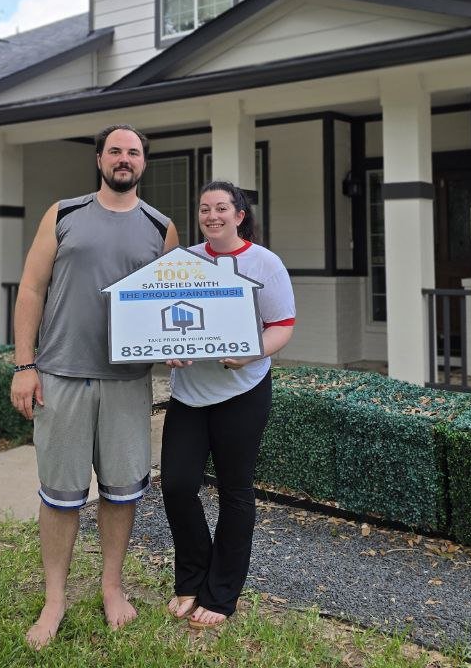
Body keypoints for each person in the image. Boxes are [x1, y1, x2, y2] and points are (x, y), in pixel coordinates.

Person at [9, 123, 179, 650]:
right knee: (61, 494)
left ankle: (111, 587)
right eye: (115, 151)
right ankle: (54, 598)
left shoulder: (161, 227)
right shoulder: (63, 214)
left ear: (143, 163)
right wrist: (24, 364)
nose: (123, 159)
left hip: (128, 381)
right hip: (61, 374)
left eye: (133, 152)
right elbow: (32, 287)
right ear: (100, 159)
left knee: (122, 489)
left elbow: (166, 307)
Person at [160, 180, 296, 629]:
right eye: (204, 209)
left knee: (235, 493)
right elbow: (162, 319)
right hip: (188, 396)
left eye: (222, 208)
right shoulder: (184, 263)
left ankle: (221, 593)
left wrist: (253, 350)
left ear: (239, 215)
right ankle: (191, 578)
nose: (212, 216)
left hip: (243, 393)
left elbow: (282, 325)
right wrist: (166, 349)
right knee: (178, 486)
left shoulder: (264, 263)